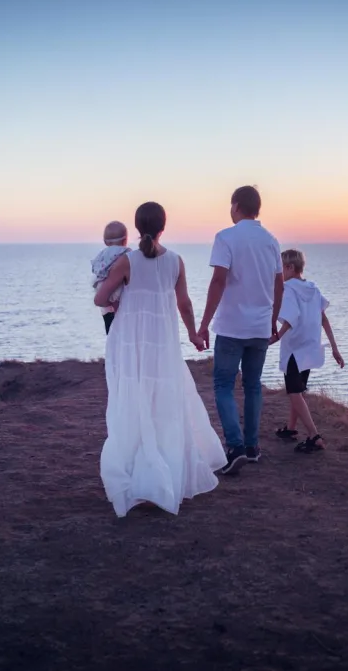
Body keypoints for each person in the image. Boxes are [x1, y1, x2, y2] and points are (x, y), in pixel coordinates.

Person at [94, 202, 227, 517]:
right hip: (163, 344)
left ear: (137, 227)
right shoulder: (176, 262)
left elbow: (100, 298)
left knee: (131, 400)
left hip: (129, 344)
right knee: (164, 403)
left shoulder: (126, 262)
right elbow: (184, 304)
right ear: (163, 226)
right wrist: (195, 334)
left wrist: (116, 303)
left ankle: (135, 471)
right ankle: (166, 471)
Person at [197, 186, 283, 474]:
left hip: (232, 325)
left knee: (223, 384)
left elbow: (218, 281)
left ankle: (234, 447)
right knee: (252, 385)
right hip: (260, 325)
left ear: (235, 205)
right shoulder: (271, 241)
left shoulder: (226, 237)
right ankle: (252, 447)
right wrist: (273, 320)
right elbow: (278, 284)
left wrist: (204, 323)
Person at [270, 249, 345, 452]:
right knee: (298, 390)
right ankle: (291, 428)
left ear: (290, 267)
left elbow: (289, 319)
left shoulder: (288, 289)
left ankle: (314, 436)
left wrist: (272, 339)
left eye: (280, 268)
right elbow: (323, 319)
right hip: (310, 348)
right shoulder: (313, 288)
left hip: (294, 350)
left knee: (294, 392)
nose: (278, 272)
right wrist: (334, 349)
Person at [91, 221, 130, 334]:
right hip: (115, 286)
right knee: (117, 304)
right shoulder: (125, 252)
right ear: (125, 240)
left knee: (109, 320)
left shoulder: (102, 253)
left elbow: (95, 266)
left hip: (100, 283)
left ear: (105, 241)